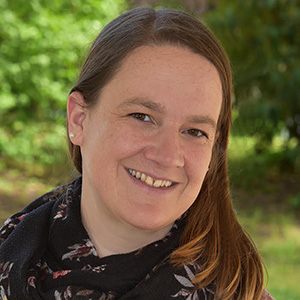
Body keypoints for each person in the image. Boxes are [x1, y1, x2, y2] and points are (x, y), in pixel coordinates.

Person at [0, 7, 274, 300]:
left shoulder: (239, 293)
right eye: (141, 116)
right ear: (78, 119)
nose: (168, 156)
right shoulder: (9, 258)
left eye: (195, 131)